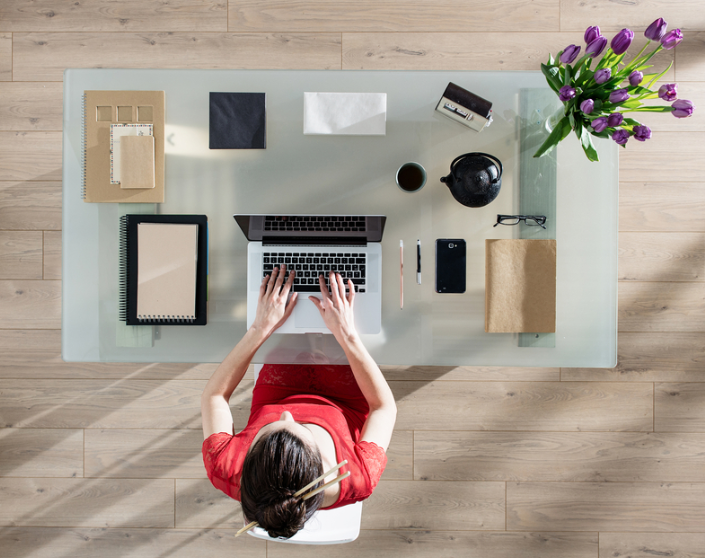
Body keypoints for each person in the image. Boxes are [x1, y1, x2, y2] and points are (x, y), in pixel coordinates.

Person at [201, 265, 397, 539]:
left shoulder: (227, 469)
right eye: (300, 428)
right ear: (321, 466)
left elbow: (215, 396)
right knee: (376, 312)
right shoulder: (357, 478)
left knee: (286, 304)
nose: (286, 416)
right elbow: (383, 407)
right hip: (348, 390)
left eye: (266, 433)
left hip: (280, 382)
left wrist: (261, 327)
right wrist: (347, 333)